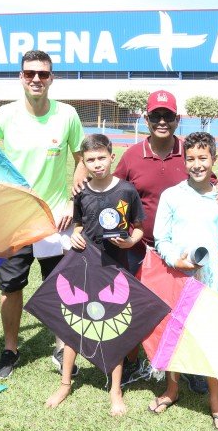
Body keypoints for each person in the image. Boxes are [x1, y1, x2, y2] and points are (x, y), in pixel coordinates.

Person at [113, 89, 218, 393]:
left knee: (187, 309)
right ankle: (134, 361)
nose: (162, 121)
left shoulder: (190, 151)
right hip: (140, 247)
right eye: (156, 115)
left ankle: (190, 368)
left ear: (177, 118)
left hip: (182, 252)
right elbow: (115, 191)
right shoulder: (132, 155)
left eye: (168, 115)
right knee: (137, 307)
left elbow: (209, 183)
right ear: (147, 118)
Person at [0, 49, 88, 379]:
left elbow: (82, 160)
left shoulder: (67, 115)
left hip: (54, 220)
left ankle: (61, 347)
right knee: (10, 286)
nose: (36, 79)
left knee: (59, 285)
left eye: (43, 73)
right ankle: (10, 349)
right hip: (14, 221)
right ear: (21, 77)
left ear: (52, 77)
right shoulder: (4, 116)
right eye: (30, 73)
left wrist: (71, 203)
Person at [149, 132, 218, 431]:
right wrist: (175, 260)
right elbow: (161, 239)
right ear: (184, 161)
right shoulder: (172, 196)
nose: (197, 164)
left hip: (209, 284)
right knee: (175, 335)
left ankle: (215, 401)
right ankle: (172, 389)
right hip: (176, 280)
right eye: (191, 158)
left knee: (210, 340)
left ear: (214, 160)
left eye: (203, 158)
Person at [45, 134, 145, 416]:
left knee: (114, 327)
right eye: (91, 160)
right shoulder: (81, 192)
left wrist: (130, 241)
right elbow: (79, 225)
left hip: (115, 267)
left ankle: (115, 390)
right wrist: (75, 236)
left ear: (112, 157)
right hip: (84, 264)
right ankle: (65, 384)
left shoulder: (127, 190)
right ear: (84, 163)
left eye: (102, 158)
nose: (97, 164)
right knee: (74, 322)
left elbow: (138, 227)